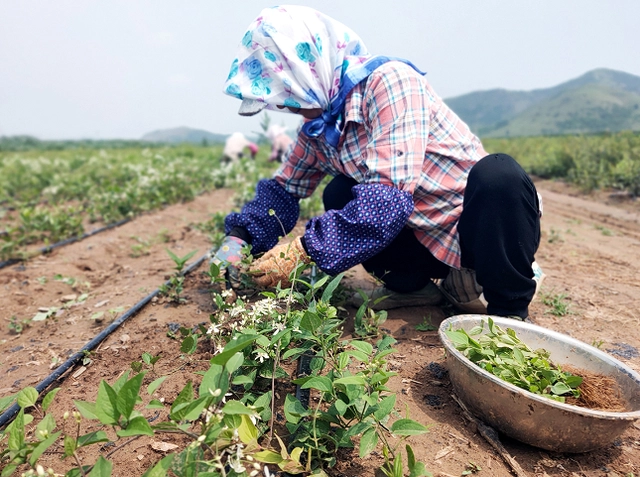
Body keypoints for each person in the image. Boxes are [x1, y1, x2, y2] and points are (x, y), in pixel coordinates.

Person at [213, 5, 543, 320]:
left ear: (310, 71)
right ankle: (413, 288)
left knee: (499, 175)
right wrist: (240, 237)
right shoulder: (318, 129)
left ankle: (508, 310)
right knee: (340, 192)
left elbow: (387, 200)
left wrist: (304, 250)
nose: (288, 107)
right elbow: (283, 190)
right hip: (424, 244)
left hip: (478, 239)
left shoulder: (389, 83)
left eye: (289, 93)